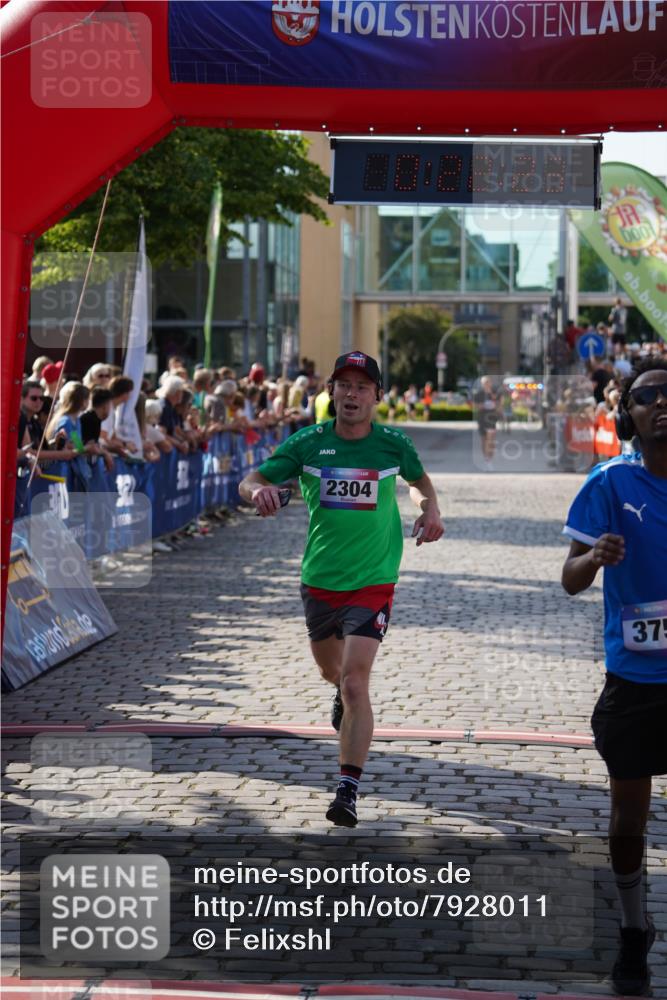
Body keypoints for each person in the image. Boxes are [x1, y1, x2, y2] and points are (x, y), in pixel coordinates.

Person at [239, 351, 444, 828]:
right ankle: (340, 696)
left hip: (374, 578)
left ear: (377, 395)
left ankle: (347, 788)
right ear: (331, 391)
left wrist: (429, 509)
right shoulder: (307, 443)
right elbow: (249, 481)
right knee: (332, 673)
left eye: (361, 386)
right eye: (343, 385)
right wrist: (259, 493)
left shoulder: (393, 444)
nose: (351, 394)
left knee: (356, 682)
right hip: (320, 580)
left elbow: (419, 482)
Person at [561, 357, 667, 996]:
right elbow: (569, 579)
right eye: (647, 396)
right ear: (628, 414)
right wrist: (594, 558)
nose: (661, 404)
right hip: (634, 680)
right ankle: (633, 930)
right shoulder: (609, 481)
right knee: (628, 820)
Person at [473, 376, 499, 471]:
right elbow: (475, 406)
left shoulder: (494, 393)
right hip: (482, 419)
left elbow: (499, 405)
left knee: (491, 439)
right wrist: (482, 405)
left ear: (490, 383)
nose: (487, 384)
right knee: (484, 439)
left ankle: (489, 459)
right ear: (482, 384)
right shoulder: (479, 394)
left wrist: (495, 403)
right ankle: (486, 458)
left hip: (492, 419)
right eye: (485, 383)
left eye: (488, 382)